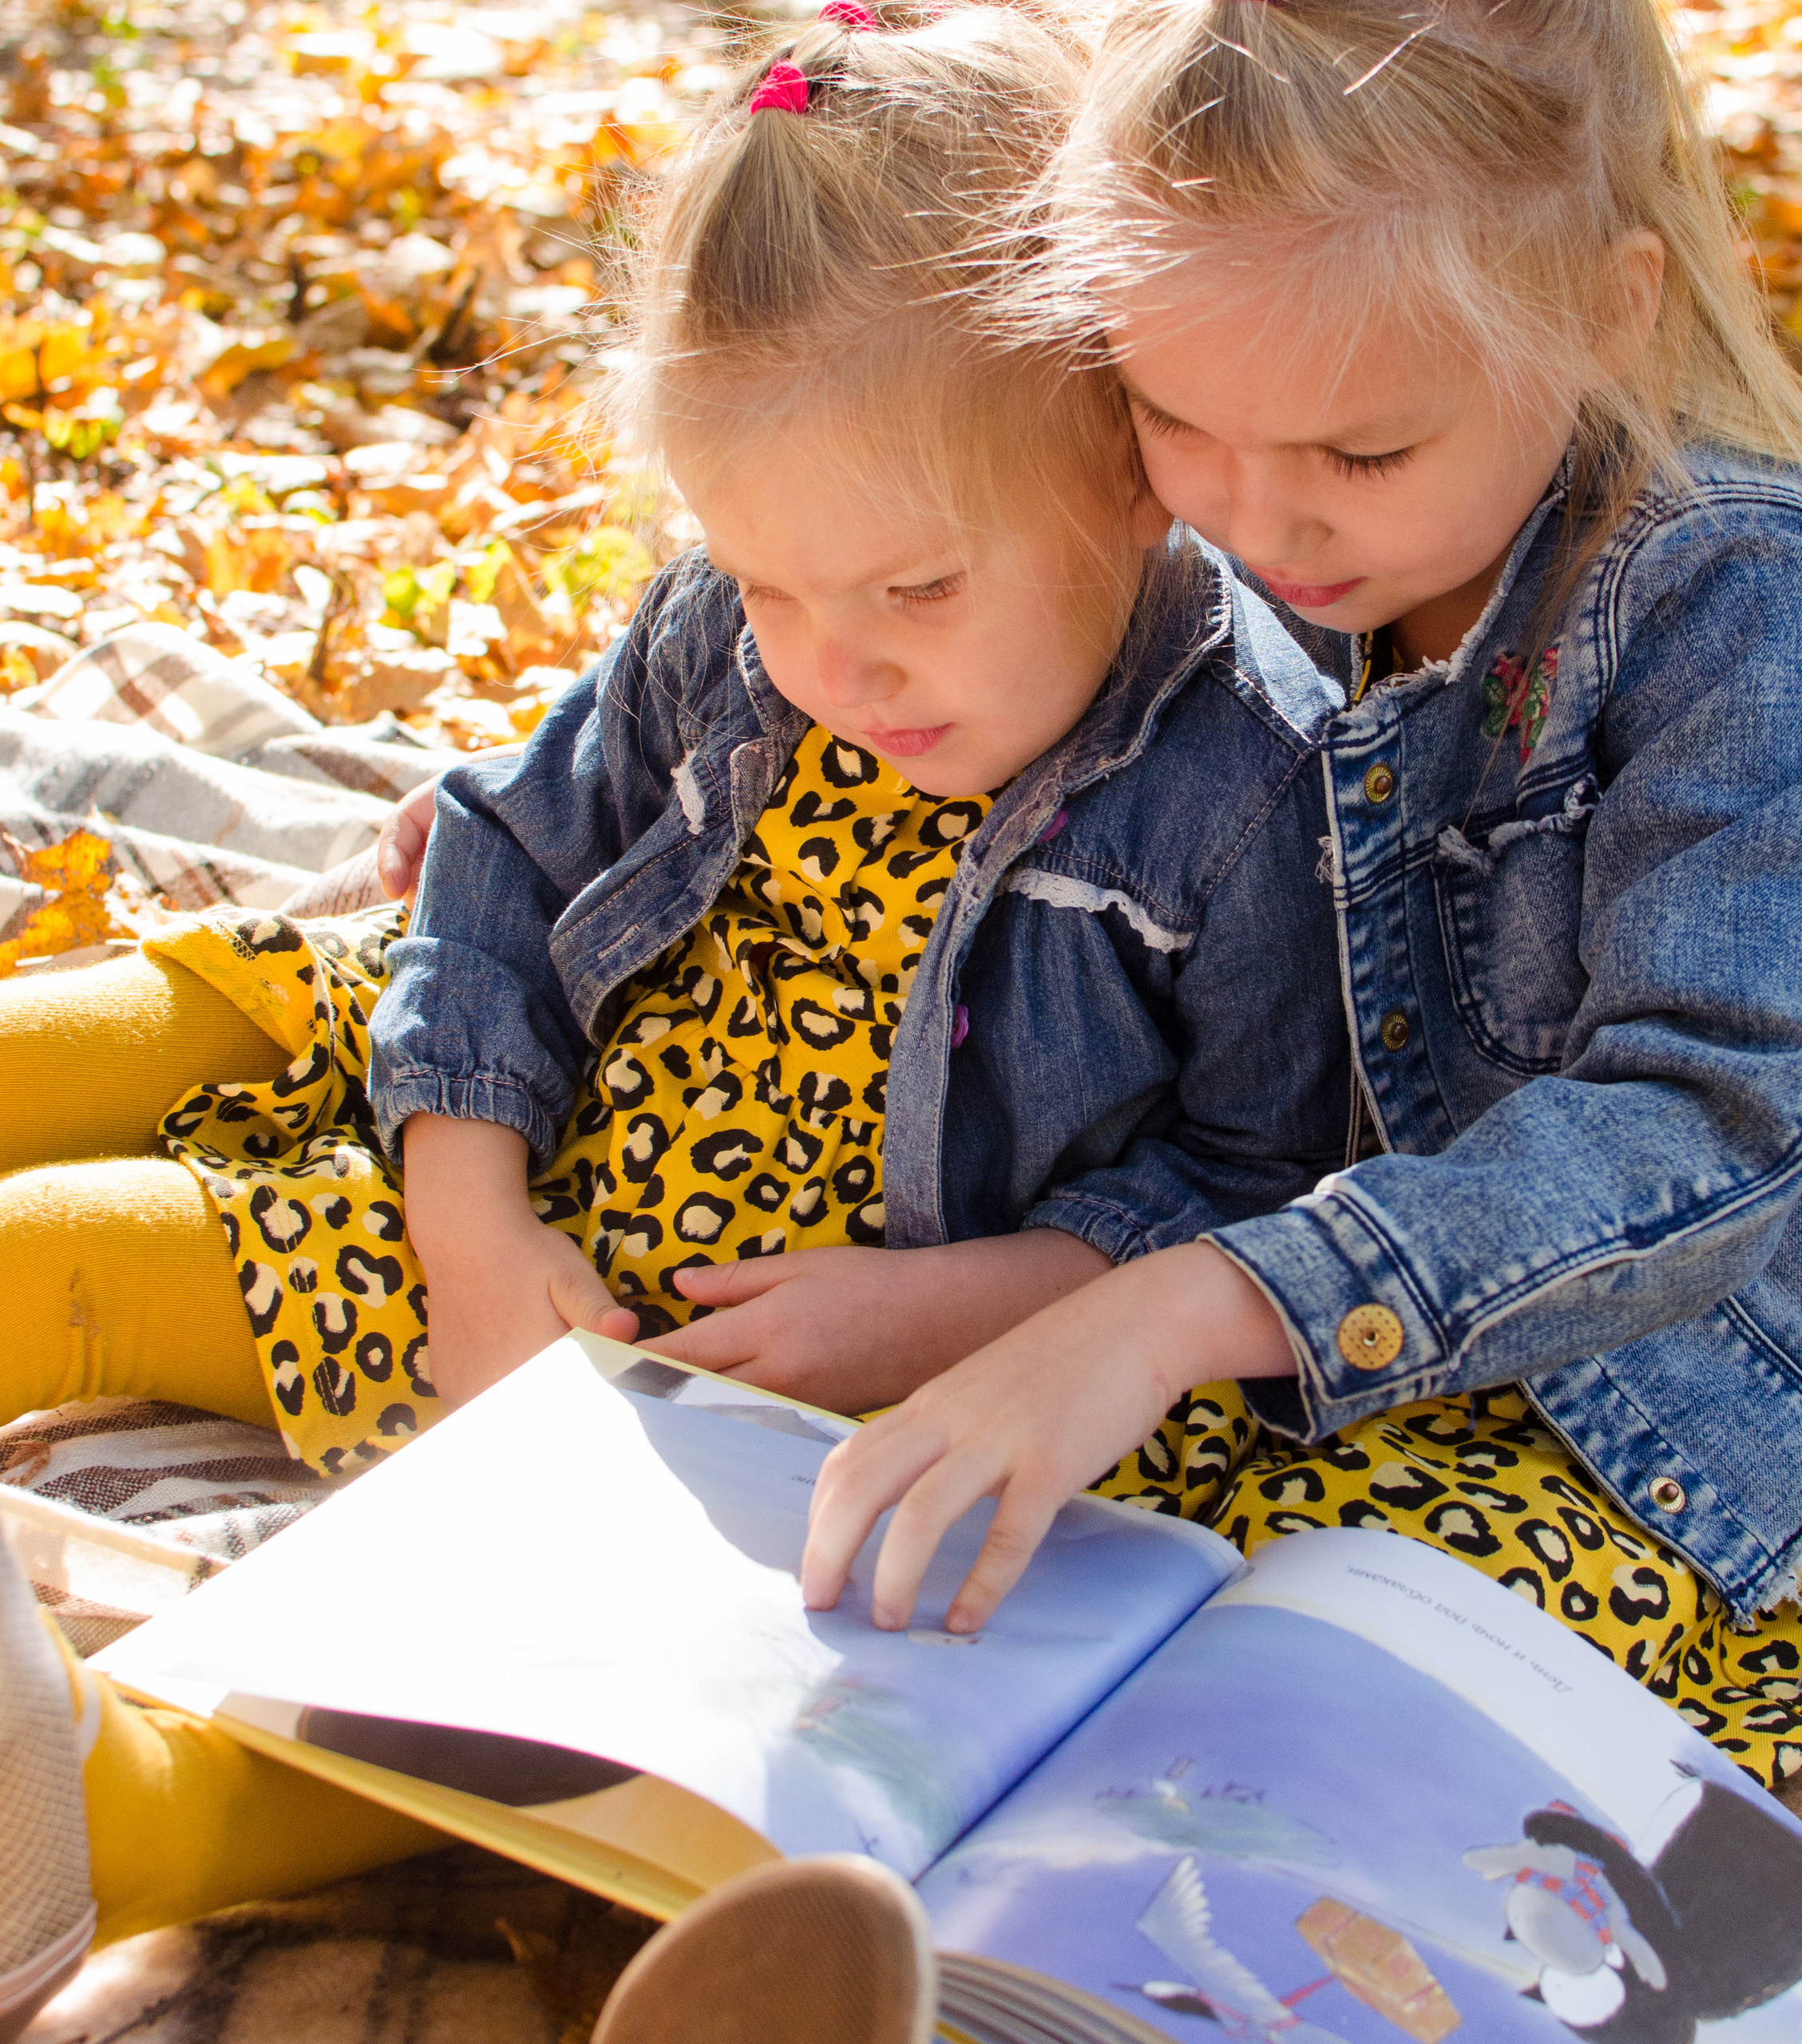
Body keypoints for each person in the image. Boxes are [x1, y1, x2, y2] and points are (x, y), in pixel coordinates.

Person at [0, 4, 1352, 2012]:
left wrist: (944, 1312)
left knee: (663, 1724)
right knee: (72, 1254)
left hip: (854, 1383)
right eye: (765, 584)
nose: (828, 665)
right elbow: (495, 870)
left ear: (1127, 471)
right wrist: (470, 1232)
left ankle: (103, 1819)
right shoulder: (734, 632)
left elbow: (1260, 1182)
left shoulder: (1254, 785)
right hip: (551, 1201)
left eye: (909, 592)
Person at [798, 0, 1802, 1788]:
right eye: (1171, 419)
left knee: (1302, 1722)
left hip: (1712, 1389)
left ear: (1604, 312)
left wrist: (1167, 1310)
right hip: (1324, 1293)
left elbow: (1706, 1123)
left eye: (1358, 453)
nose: (1256, 522)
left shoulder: (1731, 604)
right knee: (975, 1581)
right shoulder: (1283, 505)